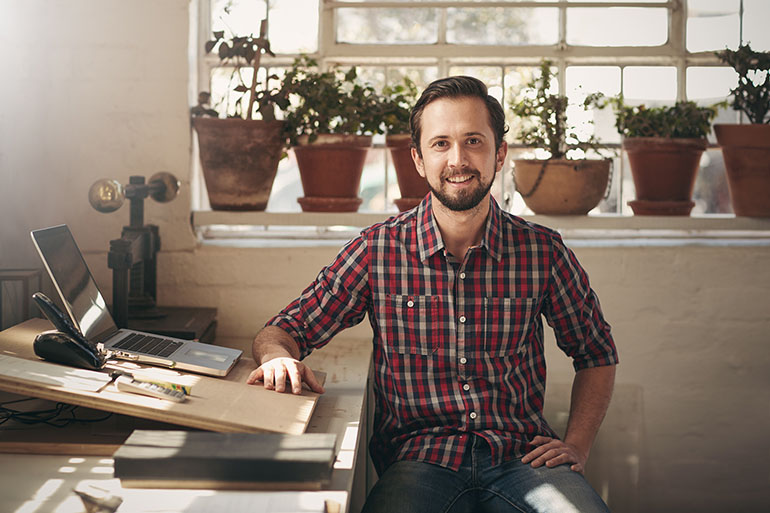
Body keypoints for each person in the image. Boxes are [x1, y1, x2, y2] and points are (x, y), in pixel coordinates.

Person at [247, 76, 618, 513]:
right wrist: (277, 358)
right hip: (419, 462)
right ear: (419, 159)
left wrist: (576, 445)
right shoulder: (377, 250)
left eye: (473, 141)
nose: (458, 160)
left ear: (499, 153)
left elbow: (595, 353)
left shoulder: (542, 251)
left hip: (523, 459)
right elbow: (285, 329)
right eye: (440, 143)